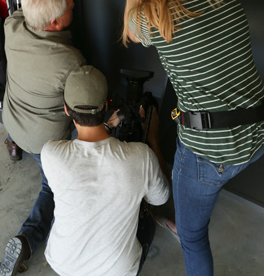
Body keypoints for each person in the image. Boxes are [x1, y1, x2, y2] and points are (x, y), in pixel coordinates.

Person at [122, 0, 264, 276]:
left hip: (210, 155)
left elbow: (131, 29)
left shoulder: (149, 17)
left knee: (193, 236)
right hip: (260, 132)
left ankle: (189, 224)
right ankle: (197, 206)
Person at [0, 0, 128, 276]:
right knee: (53, 188)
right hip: (43, 141)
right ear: (55, 23)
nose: (74, 4)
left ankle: (13, 146)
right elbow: (81, 113)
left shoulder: (14, 23)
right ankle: (26, 239)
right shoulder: (69, 62)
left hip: (11, 119)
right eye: (70, 6)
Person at [41, 65, 170, 276]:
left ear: (66, 109)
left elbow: (87, 158)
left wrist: (108, 128)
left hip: (61, 262)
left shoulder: (50, 153)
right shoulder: (142, 155)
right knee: (147, 218)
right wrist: (153, 139)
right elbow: (161, 198)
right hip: (119, 271)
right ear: (107, 104)